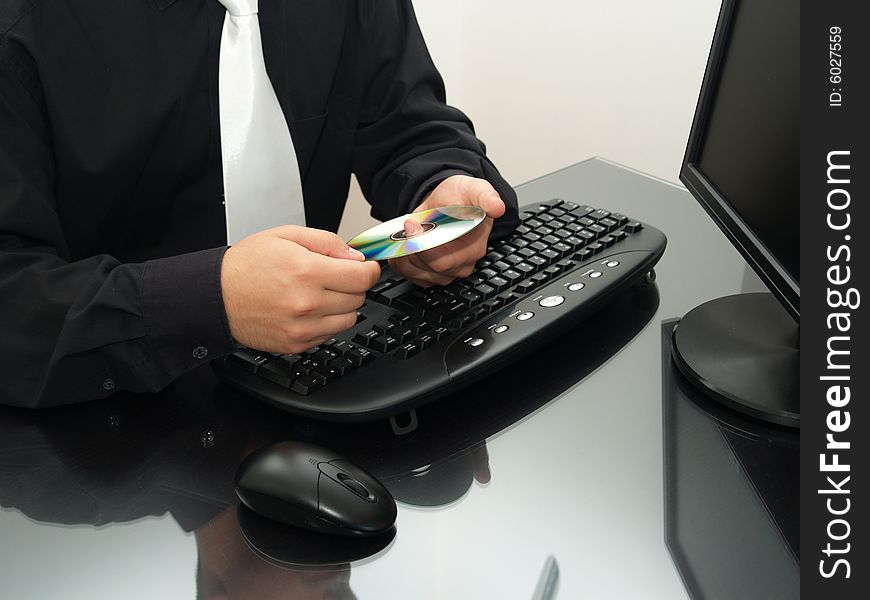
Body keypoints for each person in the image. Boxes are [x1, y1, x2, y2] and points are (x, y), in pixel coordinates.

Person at [0, 0, 518, 408]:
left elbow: (408, 125)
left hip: (323, 388)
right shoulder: (24, 24)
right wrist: (209, 302)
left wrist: (440, 192)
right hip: (100, 437)